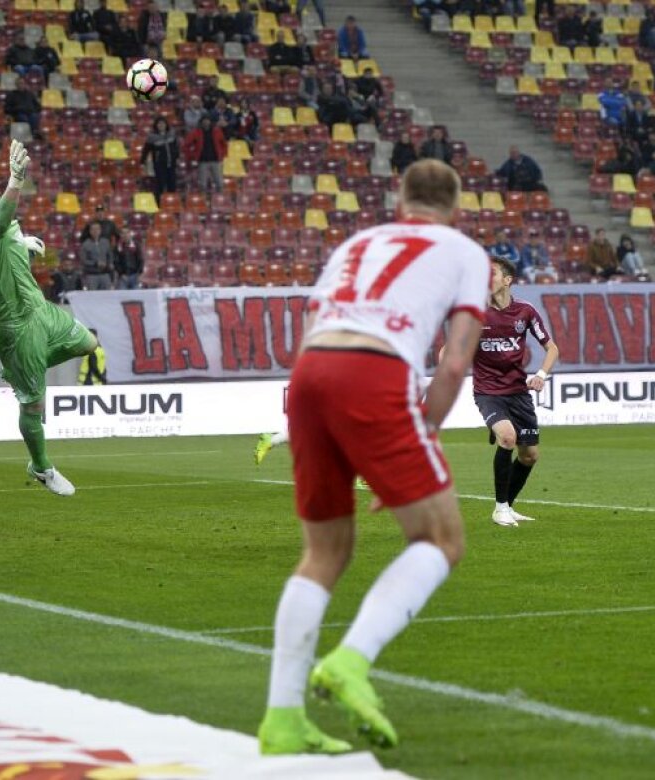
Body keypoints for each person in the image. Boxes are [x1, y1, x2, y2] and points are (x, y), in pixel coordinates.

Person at [257, 159, 488, 755]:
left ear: (400, 200)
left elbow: (312, 323)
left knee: (324, 551)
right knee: (440, 539)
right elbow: (457, 362)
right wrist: (423, 431)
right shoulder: (464, 251)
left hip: (310, 375)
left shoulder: (357, 243)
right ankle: (350, 663)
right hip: (376, 370)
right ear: (455, 208)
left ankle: (282, 721)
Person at [0, 140, 98, 495]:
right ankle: (42, 466)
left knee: (88, 343)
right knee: (33, 403)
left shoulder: (2, 224)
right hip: (16, 326)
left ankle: (19, 371)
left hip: (40, 309)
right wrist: (17, 179)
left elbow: (6, 228)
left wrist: (22, 243)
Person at [472, 257, 559, 528]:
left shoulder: (525, 311)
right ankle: (499, 509)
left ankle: (508, 506)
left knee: (529, 455)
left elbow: (551, 348)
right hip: (488, 391)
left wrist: (541, 375)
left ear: (507, 280)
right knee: (508, 438)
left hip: (518, 392)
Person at [183, 114, 226, 195]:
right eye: (204, 120)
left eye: (207, 120)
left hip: (216, 160)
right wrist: (193, 155)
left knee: (219, 183)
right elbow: (186, 145)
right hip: (203, 161)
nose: (206, 122)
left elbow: (224, 144)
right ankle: (203, 201)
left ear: (210, 121)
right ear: (201, 122)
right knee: (202, 185)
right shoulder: (196, 132)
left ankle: (220, 200)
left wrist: (222, 154)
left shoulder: (217, 131)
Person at [141, 116, 180, 200]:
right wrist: (142, 162)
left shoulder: (172, 134)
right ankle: (159, 203)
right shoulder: (152, 137)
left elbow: (176, 146)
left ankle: (171, 202)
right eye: (159, 124)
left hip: (171, 164)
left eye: (163, 124)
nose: (161, 125)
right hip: (159, 165)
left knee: (172, 184)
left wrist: (177, 156)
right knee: (160, 185)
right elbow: (146, 150)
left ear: (166, 125)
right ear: (156, 125)